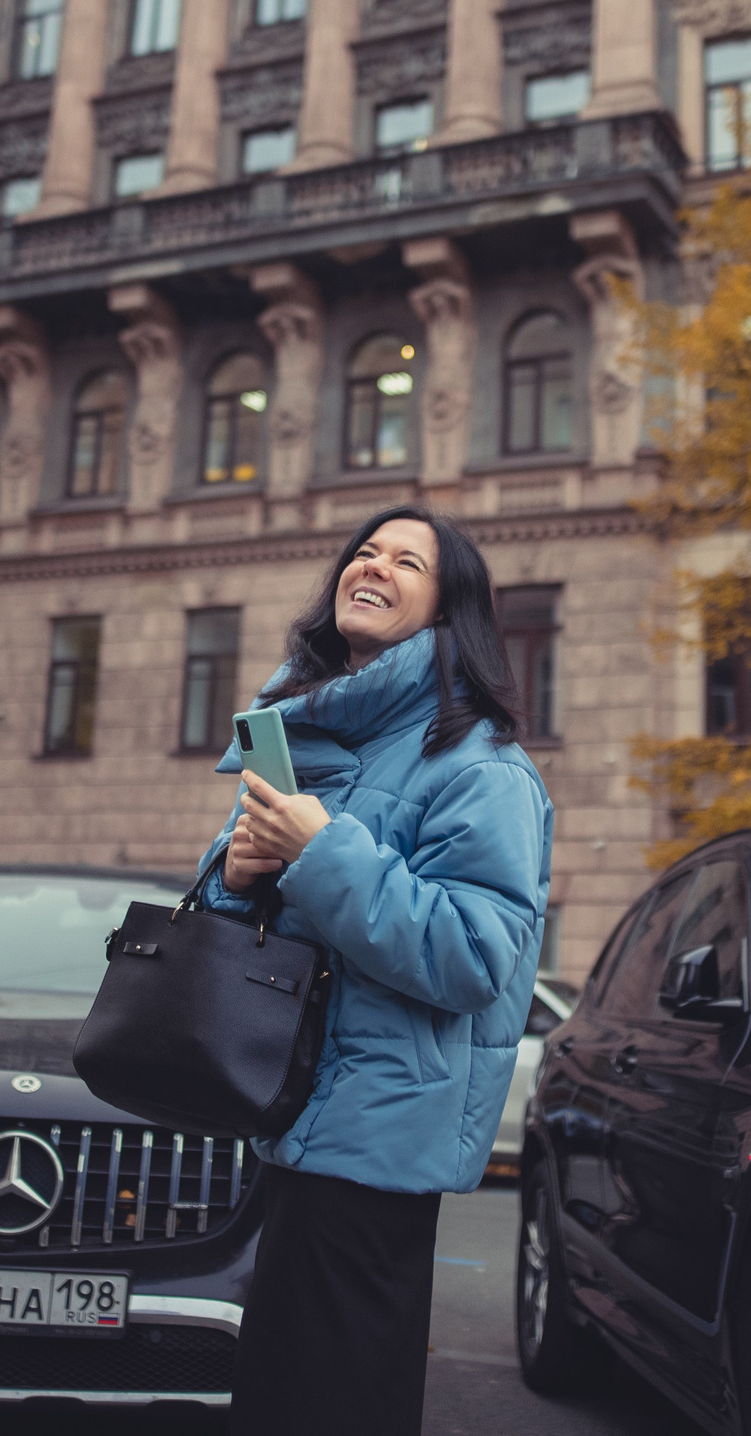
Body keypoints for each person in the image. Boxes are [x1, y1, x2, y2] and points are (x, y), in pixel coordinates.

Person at [199, 504, 553, 1435]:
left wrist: (321, 853)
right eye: (364, 551)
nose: (374, 566)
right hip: (284, 1115)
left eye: (406, 561)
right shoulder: (308, 738)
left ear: (449, 610)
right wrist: (238, 875)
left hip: (376, 1149)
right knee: (278, 1402)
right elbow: (240, 935)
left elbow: (476, 955)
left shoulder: (482, 766)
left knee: (338, 1402)